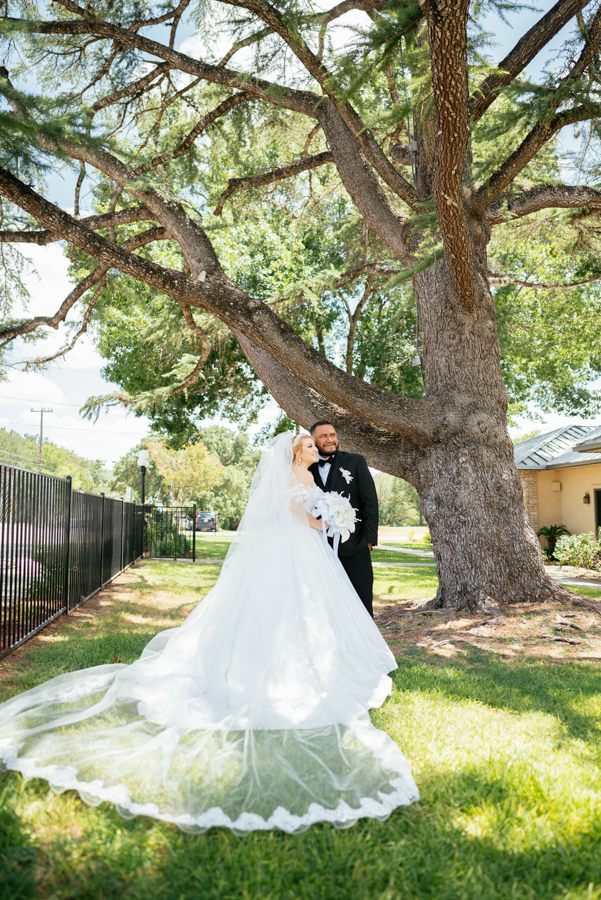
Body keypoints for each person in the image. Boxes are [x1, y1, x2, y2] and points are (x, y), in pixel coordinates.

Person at [0, 432, 418, 835]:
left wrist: (331, 515)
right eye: (308, 445)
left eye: (314, 445)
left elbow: (312, 514)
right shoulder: (293, 478)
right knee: (279, 608)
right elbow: (302, 519)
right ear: (295, 454)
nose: (314, 449)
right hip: (291, 549)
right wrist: (329, 518)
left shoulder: (309, 476)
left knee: (309, 608)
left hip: (305, 552)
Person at [309, 421, 379, 617]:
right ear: (313, 440)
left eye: (333, 434)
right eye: (323, 436)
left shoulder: (355, 461)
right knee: (326, 602)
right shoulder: (305, 466)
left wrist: (369, 541)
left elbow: (370, 502)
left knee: (361, 598)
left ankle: (367, 644)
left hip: (355, 545)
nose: (330, 439)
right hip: (318, 547)